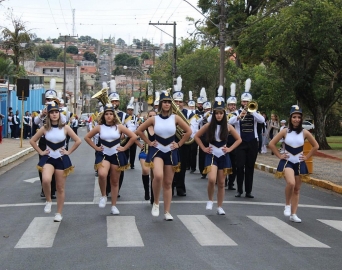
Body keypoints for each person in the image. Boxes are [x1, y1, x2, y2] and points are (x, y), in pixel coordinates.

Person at [136, 91, 191, 221]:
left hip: (171, 151)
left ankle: (167, 211)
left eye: (168, 102)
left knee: (168, 183)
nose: (166, 104)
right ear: (160, 104)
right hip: (157, 151)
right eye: (164, 102)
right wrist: (149, 142)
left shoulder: (176, 118)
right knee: (158, 176)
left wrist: (179, 144)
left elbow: (188, 131)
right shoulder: (154, 119)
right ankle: (156, 202)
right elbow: (138, 131)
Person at [30, 101, 81, 222]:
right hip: (48, 158)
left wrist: (69, 152)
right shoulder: (44, 128)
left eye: (56, 112)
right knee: (46, 179)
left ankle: (59, 213)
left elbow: (78, 140)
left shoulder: (65, 127)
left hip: (61, 159)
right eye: (52, 112)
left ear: (59, 113)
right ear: (48, 114)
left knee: (60, 187)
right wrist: (41, 152)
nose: (54, 114)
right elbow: (32, 141)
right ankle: (48, 200)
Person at [84, 103, 137, 215]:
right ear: (104, 116)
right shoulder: (99, 127)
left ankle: (113, 205)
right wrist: (96, 148)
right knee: (102, 174)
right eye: (106, 114)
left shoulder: (120, 127)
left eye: (111, 114)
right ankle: (103, 195)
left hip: (116, 155)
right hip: (103, 155)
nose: (108, 116)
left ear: (114, 116)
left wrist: (124, 147)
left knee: (114, 181)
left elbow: (133, 136)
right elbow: (87, 137)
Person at [269, 105, 319, 223]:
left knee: (297, 189)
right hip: (287, 161)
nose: (296, 119)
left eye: (298, 117)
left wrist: (307, 156)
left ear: (301, 119)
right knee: (291, 183)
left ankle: (293, 214)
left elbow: (316, 146)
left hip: (299, 162)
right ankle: (287, 205)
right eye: (294, 117)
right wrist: (279, 155)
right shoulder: (285, 131)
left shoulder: (305, 132)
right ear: (290, 118)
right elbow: (272, 144)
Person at [195, 100, 241, 215]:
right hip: (211, 154)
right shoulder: (209, 125)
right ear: (213, 114)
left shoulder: (228, 126)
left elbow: (239, 139)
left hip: (223, 155)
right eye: (216, 113)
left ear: (224, 114)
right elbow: (196, 136)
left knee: (221, 182)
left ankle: (220, 206)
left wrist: (230, 149)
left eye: (221, 113)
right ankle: (210, 200)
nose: (219, 115)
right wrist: (203, 148)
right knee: (211, 179)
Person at [229, 78, 265, 198]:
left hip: (252, 142)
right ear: (241, 102)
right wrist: (239, 117)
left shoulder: (255, 112)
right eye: (244, 101)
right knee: (239, 166)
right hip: (240, 142)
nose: (245, 103)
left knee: (250, 167)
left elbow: (262, 120)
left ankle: (248, 191)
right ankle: (239, 190)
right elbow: (229, 122)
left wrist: (252, 112)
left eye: (247, 101)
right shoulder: (236, 113)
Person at [138, 110, 156, 202]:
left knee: (154, 175)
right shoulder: (143, 127)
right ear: (147, 117)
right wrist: (140, 145)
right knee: (145, 170)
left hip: (156, 154)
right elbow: (133, 136)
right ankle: (146, 191)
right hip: (144, 153)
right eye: (150, 116)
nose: (152, 117)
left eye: (154, 116)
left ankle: (153, 195)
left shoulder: (160, 128)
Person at [225, 83, 239, 190]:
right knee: (224, 160)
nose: (232, 106)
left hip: (234, 139)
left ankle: (231, 183)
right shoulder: (223, 114)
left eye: (234, 104)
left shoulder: (239, 114)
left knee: (234, 162)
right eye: (231, 104)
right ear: (227, 105)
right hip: (224, 139)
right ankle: (223, 179)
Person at [125, 97, 138, 169]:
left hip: (133, 136)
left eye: (131, 110)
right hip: (126, 136)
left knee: (133, 150)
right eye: (129, 110)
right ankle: (126, 162)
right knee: (126, 150)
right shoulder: (125, 117)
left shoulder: (136, 118)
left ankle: (132, 164)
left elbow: (138, 126)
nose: (130, 111)